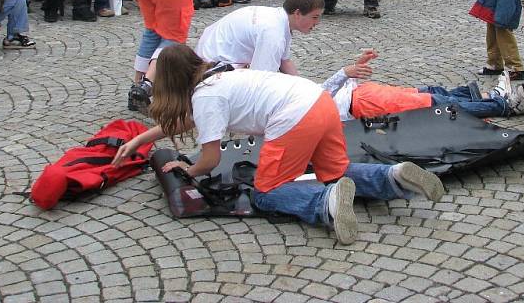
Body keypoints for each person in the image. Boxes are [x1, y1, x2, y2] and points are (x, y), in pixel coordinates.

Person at [113, 44, 445, 245]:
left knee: (266, 192)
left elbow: (210, 159)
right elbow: (188, 121)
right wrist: (141, 139)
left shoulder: (206, 97)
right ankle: (393, 177)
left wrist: (189, 168)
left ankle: (325, 202)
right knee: (336, 169)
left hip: (296, 117)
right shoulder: (216, 76)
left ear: (171, 82)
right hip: (319, 102)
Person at [326, 50, 524, 120]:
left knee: (433, 92)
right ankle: (504, 106)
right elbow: (322, 98)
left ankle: (487, 97)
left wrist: (355, 69)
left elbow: (325, 93)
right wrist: (345, 72)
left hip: (362, 93)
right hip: (363, 102)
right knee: (436, 103)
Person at [195, 0, 324, 73]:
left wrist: (305, 90)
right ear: (297, 13)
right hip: (212, 67)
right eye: (314, 17)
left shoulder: (279, 18)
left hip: (211, 55)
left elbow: (284, 61)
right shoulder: (274, 33)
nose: (317, 23)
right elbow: (262, 80)